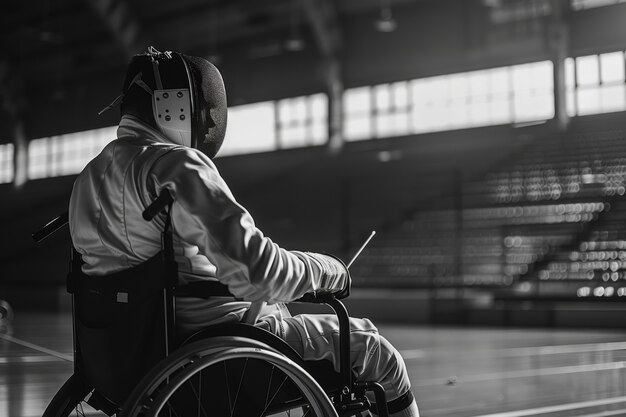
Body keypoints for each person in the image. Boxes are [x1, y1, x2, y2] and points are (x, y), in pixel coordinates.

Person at [69, 47, 419, 417]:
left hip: (123, 363)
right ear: (173, 105)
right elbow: (259, 272)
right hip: (216, 358)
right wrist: (328, 269)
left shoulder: (89, 178)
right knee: (372, 349)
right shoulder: (174, 165)